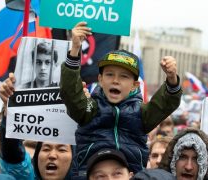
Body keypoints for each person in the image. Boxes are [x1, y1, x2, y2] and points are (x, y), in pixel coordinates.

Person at [59, 22, 182, 177]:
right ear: (100, 79)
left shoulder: (141, 114)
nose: (115, 81)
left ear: (134, 85)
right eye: (109, 74)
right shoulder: (90, 108)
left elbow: (165, 104)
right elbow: (70, 94)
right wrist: (75, 49)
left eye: (123, 76)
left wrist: (171, 79)